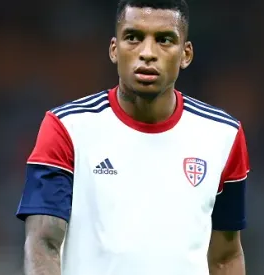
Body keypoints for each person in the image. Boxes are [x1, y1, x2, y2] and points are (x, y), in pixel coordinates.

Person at [15, 0, 250, 274]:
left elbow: (225, 256)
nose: (147, 53)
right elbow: (43, 244)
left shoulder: (223, 135)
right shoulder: (66, 128)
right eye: (133, 38)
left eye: (164, 40)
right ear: (114, 49)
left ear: (186, 54)